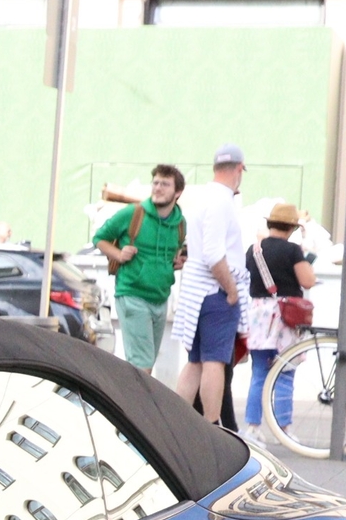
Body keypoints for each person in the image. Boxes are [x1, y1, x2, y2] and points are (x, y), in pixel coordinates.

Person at [171, 145, 248, 425]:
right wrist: (231, 289)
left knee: (195, 362)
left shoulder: (203, 198)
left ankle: (176, 423)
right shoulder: (222, 202)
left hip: (196, 292)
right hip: (215, 292)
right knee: (214, 361)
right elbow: (215, 253)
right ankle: (212, 426)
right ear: (239, 169)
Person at [93, 164, 189, 372]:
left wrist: (176, 263)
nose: (158, 188)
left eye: (165, 184)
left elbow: (172, 256)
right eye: (155, 182)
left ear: (178, 192)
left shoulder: (180, 224)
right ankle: (132, 405)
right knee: (142, 364)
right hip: (132, 295)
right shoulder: (134, 213)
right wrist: (118, 254)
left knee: (145, 365)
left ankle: (124, 401)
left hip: (160, 298)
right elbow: (99, 238)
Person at [242, 202, 316, 431]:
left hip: (258, 315)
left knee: (260, 372)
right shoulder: (293, 250)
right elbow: (307, 281)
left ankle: (253, 426)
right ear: (292, 228)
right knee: (285, 371)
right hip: (285, 317)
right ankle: (284, 427)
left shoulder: (254, 250)